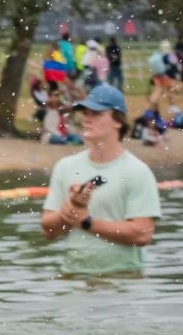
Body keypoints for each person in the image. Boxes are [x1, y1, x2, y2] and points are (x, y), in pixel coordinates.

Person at [40, 84, 160, 276]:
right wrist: (72, 207)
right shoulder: (65, 166)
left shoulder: (137, 171)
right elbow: (49, 231)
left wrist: (87, 222)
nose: (87, 119)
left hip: (122, 280)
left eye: (96, 113)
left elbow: (142, 233)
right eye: (86, 113)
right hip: (73, 278)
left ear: (118, 121)